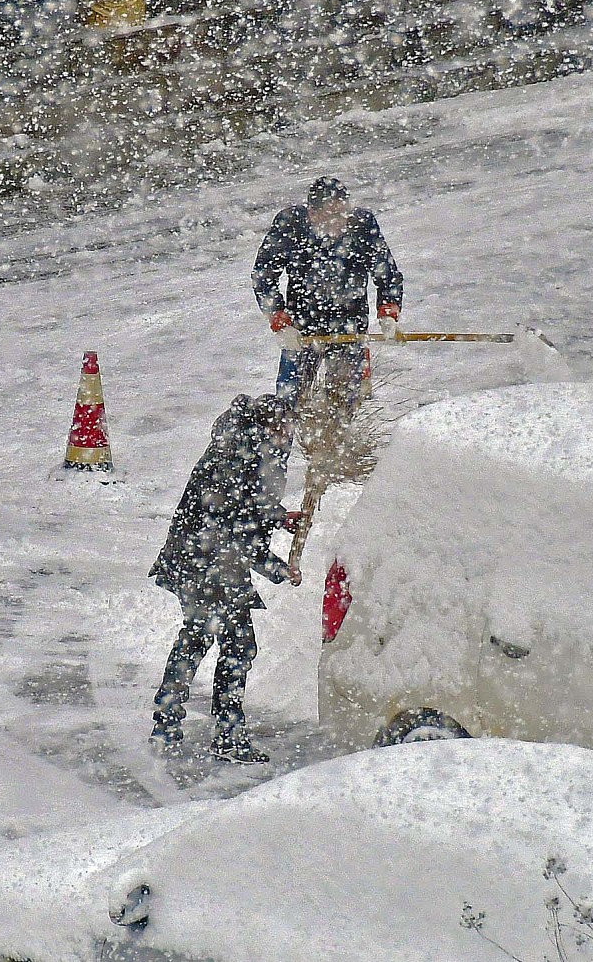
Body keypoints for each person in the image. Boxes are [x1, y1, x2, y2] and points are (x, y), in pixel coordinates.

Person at [149, 393, 298, 763]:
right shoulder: (239, 458)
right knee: (235, 647)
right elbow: (238, 529)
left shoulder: (241, 449)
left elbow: (248, 506)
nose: (289, 436)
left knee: (200, 639)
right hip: (206, 564)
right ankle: (226, 736)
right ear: (268, 427)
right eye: (284, 429)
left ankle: (168, 723)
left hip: (202, 561)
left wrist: (278, 518)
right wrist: (279, 569)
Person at [252, 176, 403, 519]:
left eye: (342, 215)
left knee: (345, 400)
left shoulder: (362, 225)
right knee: (286, 407)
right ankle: (269, 491)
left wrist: (388, 312)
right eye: (328, 216)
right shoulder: (290, 226)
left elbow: (387, 273)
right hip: (302, 334)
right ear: (313, 213)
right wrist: (280, 320)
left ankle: (332, 471)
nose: (336, 224)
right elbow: (263, 274)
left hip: (349, 331)